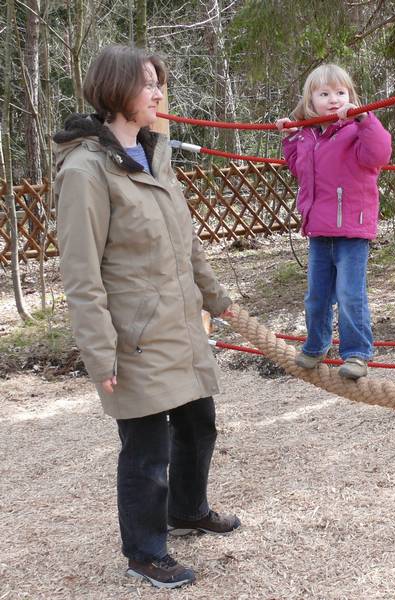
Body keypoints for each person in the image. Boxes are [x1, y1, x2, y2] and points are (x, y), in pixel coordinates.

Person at [53, 45, 240, 590]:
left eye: (159, 82)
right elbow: (80, 272)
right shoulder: (85, 171)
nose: (158, 93)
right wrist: (99, 351)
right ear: (116, 90)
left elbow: (186, 243)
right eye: (147, 84)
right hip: (132, 335)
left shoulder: (155, 154)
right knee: (146, 451)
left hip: (179, 324)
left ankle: (188, 510)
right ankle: (145, 552)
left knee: (198, 423)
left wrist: (218, 300)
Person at [277, 63, 392, 380]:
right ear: (310, 101)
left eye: (340, 92)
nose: (333, 99)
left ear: (350, 96)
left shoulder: (357, 130)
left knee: (349, 294)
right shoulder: (308, 136)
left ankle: (356, 353)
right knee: (316, 296)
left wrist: (365, 119)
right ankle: (316, 346)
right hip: (319, 231)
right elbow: (299, 170)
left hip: (351, 230)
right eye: (324, 94)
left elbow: (380, 154)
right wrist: (290, 138)